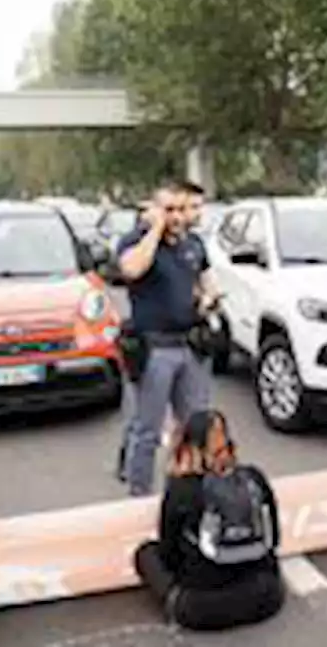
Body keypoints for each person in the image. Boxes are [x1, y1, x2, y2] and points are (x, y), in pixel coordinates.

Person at [133, 410, 285, 630]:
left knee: (145, 553)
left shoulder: (181, 490)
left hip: (201, 608)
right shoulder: (254, 478)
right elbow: (274, 539)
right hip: (265, 597)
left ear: (192, 450)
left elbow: (169, 555)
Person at [115, 183, 221, 497]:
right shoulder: (136, 241)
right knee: (147, 430)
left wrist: (209, 297)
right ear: (155, 210)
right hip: (155, 348)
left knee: (195, 424)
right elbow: (132, 269)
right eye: (168, 210)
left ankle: (189, 490)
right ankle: (139, 496)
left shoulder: (193, 244)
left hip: (190, 346)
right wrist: (155, 231)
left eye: (181, 209)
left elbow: (205, 278)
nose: (176, 216)